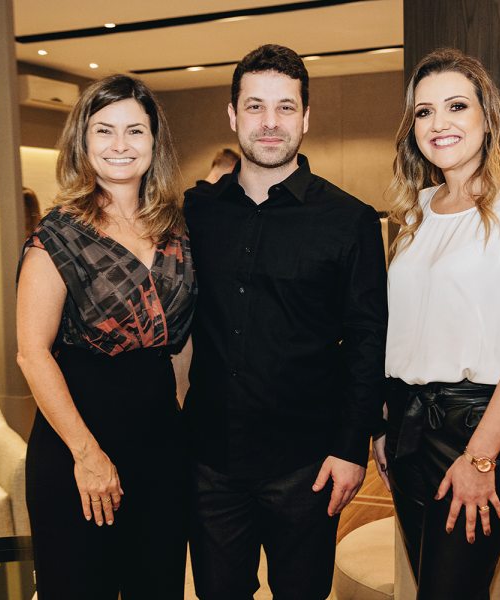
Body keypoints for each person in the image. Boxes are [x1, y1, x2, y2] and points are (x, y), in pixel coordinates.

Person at [183, 44, 388, 600]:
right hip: (211, 462)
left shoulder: (349, 220)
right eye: (255, 106)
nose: (270, 122)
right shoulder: (195, 213)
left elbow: (368, 341)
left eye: (285, 107)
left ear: (306, 117)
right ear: (233, 115)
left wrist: (351, 448)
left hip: (308, 466)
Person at [373, 48, 500, 599]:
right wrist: (384, 425)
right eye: (424, 111)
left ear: (488, 117)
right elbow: (403, 329)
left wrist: (481, 457)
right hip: (408, 427)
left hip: (478, 430)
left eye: (456, 106)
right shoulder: (414, 211)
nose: (440, 123)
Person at [15, 74, 194, 599]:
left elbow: (183, 339)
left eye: (135, 130)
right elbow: (32, 355)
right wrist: (88, 455)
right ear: (83, 141)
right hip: (77, 447)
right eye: (104, 130)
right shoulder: (57, 235)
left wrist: (182, 421)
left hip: (160, 446)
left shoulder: (176, 228)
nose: (121, 144)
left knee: (158, 586)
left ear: (154, 142)